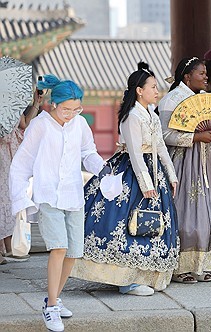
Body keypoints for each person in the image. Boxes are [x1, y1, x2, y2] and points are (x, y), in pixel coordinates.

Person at [9, 74, 108, 332]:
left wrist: (103, 170)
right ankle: (51, 306)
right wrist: (20, 199)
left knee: (74, 252)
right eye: (66, 109)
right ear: (54, 104)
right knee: (59, 248)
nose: (71, 114)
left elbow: (88, 152)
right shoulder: (40, 126)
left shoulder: (79, 124)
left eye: (77, 109)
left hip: (73, 194)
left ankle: (54, 297)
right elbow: (21, 164)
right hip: (48, 195)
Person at [71, 62, 180, 296]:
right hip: (134, 173)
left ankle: (146, 275)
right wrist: (147, 185)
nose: (156, 90)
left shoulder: (151, 113)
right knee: (125, 222)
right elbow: (135, 152)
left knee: (153, 225)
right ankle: (126, 280)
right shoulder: (132, 116)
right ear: (139, 90)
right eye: (152, 86)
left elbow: (160, 147)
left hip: (154, 171)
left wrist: (171, 175)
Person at [158, 57, 211, 284]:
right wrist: (195, 137)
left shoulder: (206, 100)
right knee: (185, 215)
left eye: (205, 73)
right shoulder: (170, 101)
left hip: (209, 162)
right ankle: (178, 267)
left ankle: (201, 264)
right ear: (186, 76)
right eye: (201, 73)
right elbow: (164, 136)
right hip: (183, 163)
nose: (206, 77)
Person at [0, 91, 42, 264]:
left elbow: (23, 124)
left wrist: (36, 103)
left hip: (10, 154)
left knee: (9, 196)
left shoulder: (9, 99)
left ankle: (9, 244)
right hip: (2, 152)